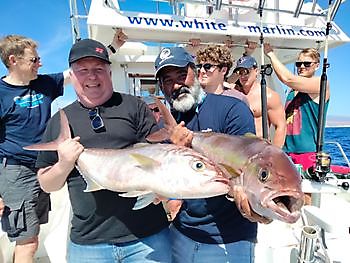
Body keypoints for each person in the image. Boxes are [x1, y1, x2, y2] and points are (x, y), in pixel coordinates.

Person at [35, 38, 171, 262]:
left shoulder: (134, 106)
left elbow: (159, 157)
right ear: (72, 75)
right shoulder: (61, 120)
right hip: (89, 243)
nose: (91, 76)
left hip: (148, 238)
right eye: (83, 70)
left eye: (99, 69)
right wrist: (64, 163)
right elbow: (47, 184)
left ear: (109, 72)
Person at [154, 46, 270, 263]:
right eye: (167, 80)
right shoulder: (165, 124)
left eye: (182, 75)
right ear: (162, 87)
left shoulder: (232, 110)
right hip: (182, 232)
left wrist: (258, 205)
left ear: (196, 73)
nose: (176, 85)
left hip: (229, 238)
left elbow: (247, 167)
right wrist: (171, 198)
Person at [0, 34, 71, 263]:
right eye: (34, 60)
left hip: (42, 167)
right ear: (13, 60)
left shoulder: (45, 83)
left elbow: (77, 71)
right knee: (27, 242)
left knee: (33, 235)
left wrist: (112, 46)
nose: (39, 63)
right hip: (15, 172)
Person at [264, 44, 330, 170]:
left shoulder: (321, 83)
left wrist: (271, 54)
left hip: (308, 153)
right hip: (286, 151)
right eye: (298, 64)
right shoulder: (292, 91)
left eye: (307, 63)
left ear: (317, 65)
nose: (302, 67)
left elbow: (288, 78)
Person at [233, 54, 286, 148]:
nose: (243, 75)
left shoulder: (268, 96)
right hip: (237, 150)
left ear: (256, 71)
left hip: (259, 148)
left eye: (246, 71)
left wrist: (274, 154)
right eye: (240, 72)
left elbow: (280, 126)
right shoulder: (233, 92)